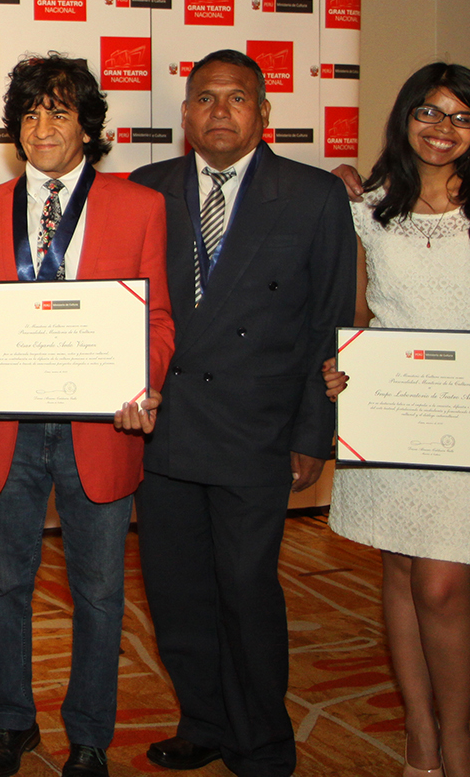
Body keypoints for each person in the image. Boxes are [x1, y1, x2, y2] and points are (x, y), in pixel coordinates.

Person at [127, 49, 356, 777]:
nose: (220, 110)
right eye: (205, 98)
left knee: (247, 592)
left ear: (264, 112)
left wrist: (313, 433)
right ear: (185, 114)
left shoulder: (315, 195)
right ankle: (203, 721)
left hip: (258, 432)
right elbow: (124, 311)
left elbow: (328, 323)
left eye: (237, 97)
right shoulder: (145, 189)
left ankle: (261, 741)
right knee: (177, 591)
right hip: (163, 430)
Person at [0, 54, 175, 777]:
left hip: (102, 429)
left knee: (100, 592)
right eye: (29, 113)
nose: (42, 126)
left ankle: (88, 736)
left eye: (58, 111)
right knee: (3, 585)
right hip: (6, 430)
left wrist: (143, 383)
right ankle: (11, 723)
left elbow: (158, 321)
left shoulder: (140, 207)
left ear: (88, 126)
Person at [323, 65, 470, 777]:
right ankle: (420, 737)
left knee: (442, 584)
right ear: (404, 117)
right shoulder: (368, 208)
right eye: (429, 112)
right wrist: (337, 369)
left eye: (462, 117)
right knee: (402, 572)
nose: (443, 129)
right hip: (389, 419)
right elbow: (355, 317)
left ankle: (458, 739)